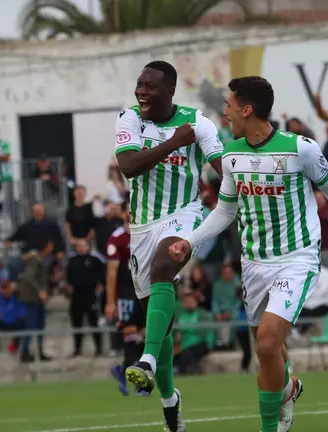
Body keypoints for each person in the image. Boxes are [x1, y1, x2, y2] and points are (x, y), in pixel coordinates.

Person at [168, 76, 328, 432]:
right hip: (254, 263)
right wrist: (190, 241)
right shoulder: (231, 154)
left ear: (247, 110)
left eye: (230, 105)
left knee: (265, 345)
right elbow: (225, 210)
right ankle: (288, 389)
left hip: (296, 258)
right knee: (270, 350)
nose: (226, 112)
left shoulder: (300, 148)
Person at [114, 60, 224, 431]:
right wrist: (174, 142)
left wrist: (238, 186)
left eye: (149, 86)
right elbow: (129, 166)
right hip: (142, 226)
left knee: (164, 265)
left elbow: (221, 165)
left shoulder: (198, 122)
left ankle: (145, 360)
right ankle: (170, 401)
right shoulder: (129, 118)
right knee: (159, 323)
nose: (141, 91)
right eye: (139, 84)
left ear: (170, 91)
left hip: (185, 214)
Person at [104, 205, 146, 396]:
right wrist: (110, 302)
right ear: (124, 214)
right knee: (130, 337)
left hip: (143, 290)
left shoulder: (145, 232)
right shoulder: (117, 238)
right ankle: (137, 381)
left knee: (146, 337)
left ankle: (122, 371)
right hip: (126, 293)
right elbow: (111, 273)